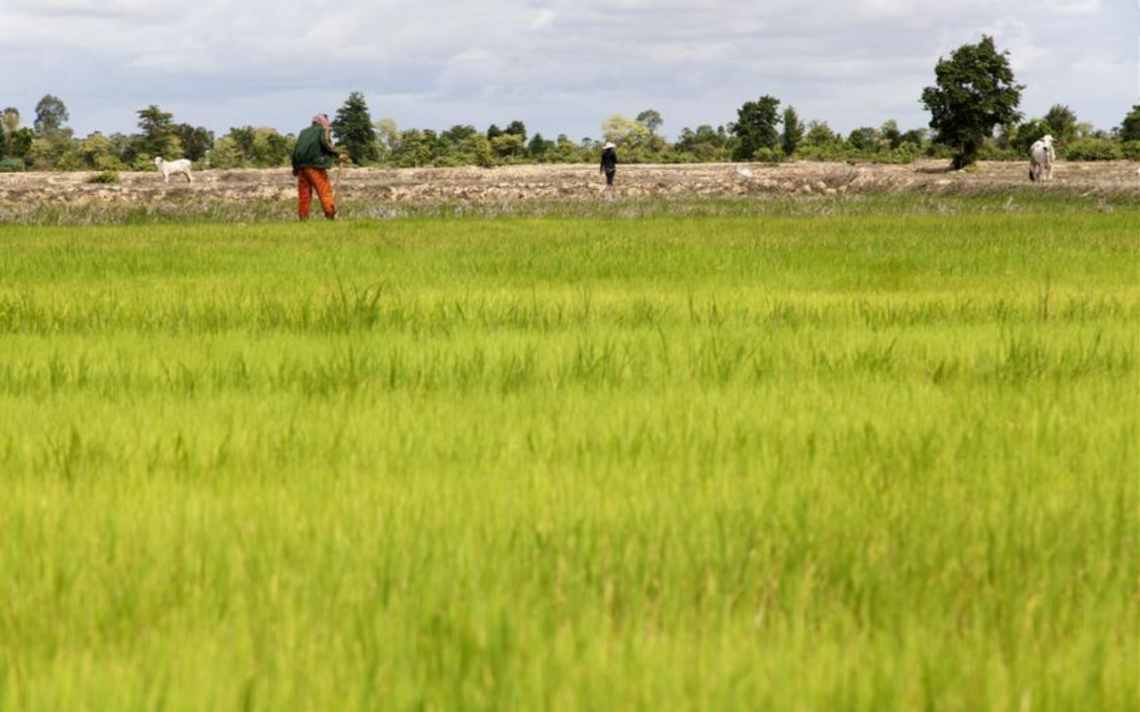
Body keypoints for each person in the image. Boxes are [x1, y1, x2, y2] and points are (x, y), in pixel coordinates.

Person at [292, 113, 347, 220]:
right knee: (324, 190)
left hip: (300, 166)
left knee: (304, 194)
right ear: (323, 122)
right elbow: (326, 143)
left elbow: (296, 150)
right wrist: (338, 154)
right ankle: (330, 215)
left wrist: (295, 168)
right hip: (315, 165)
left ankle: (303, 218)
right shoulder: (322, 130)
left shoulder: (303, 132)